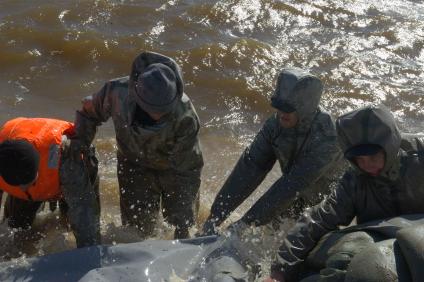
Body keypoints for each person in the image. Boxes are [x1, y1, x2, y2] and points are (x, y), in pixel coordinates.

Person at [266, 105, 424, 282]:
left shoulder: (420, 155)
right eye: (359, 159)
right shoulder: (354, 179)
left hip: (418, 240)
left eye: (373, 157)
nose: (367, 165)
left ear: (390, 145)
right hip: (377, 249)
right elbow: (318, 220)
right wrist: (278, 273)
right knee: (340, 257)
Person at [70, 51, 204, 239]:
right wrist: (80, 145)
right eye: (152, 111)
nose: (157, 115)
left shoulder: (185, 115)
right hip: (133, 165)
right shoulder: (117, 92)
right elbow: (89, 113)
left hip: (173, 170)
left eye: (162, 112)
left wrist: (183, 221)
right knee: (136, 232)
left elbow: (188, 170)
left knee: (181, 227)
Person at [201, 68, 342, 235]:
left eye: (288, 108)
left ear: (305, 107)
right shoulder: (275, 125)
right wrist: (215, 216)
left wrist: (245, 224)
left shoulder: (327, 137)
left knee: (291, 239)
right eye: (278, 106)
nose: (281, 113)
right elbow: (251, 166)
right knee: (265, 230)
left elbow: (292, 185)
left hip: (330, 200)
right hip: (296, 191)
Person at [0, 117, 100, 248]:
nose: (25, 189)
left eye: (30, 182)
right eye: (20, 185)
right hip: (31, 160)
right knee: (16, 229)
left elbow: (83, 214)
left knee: (71, 226)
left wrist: (89, 253)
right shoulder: (5, 158)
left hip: (71, 162)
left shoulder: (68, 157)